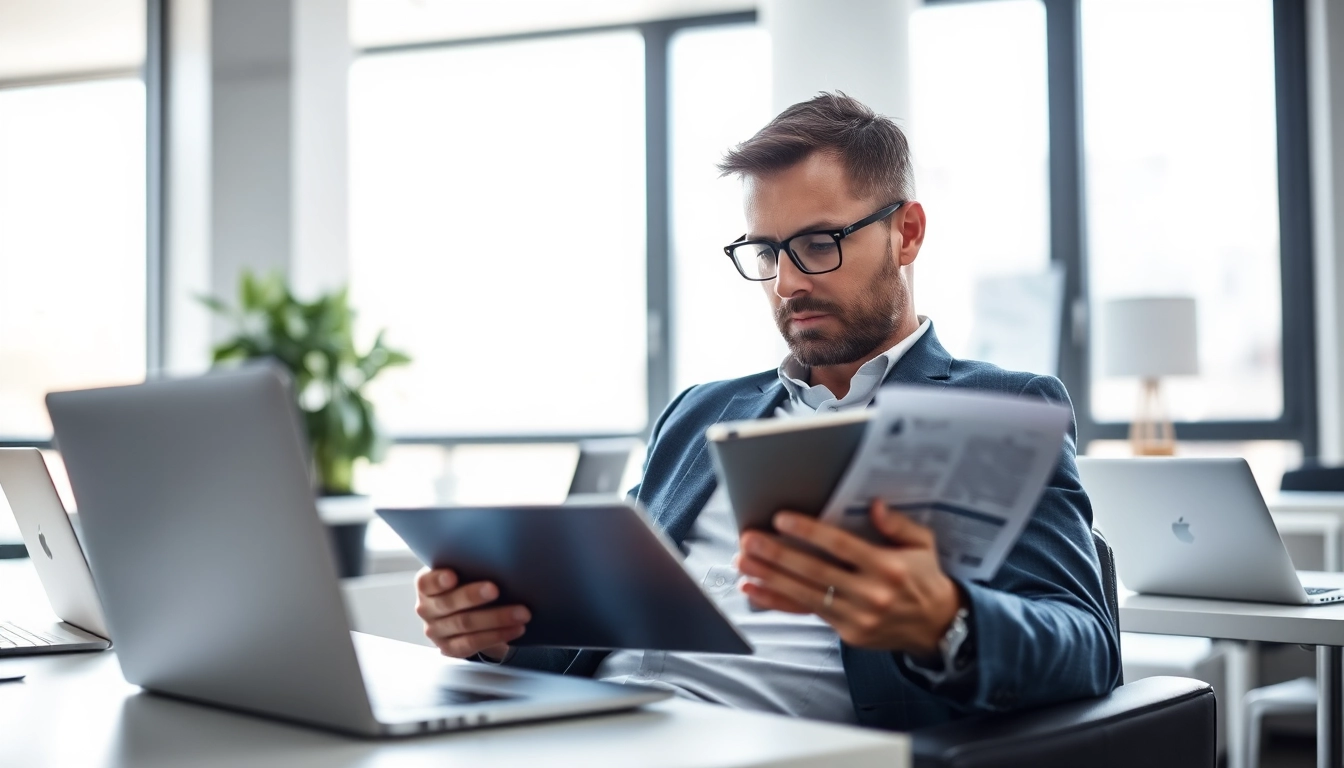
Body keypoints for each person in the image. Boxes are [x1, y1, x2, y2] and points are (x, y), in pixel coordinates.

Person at [413, 92, 1121, 730]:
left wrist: (945, 620)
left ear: (906, 233)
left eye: (818, 244)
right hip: (597, 731)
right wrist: (501, 634)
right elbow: (603, 625)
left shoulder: (997, 409)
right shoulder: (699, 413)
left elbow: (1087, 646)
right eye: (765, 251)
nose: (786, 283)